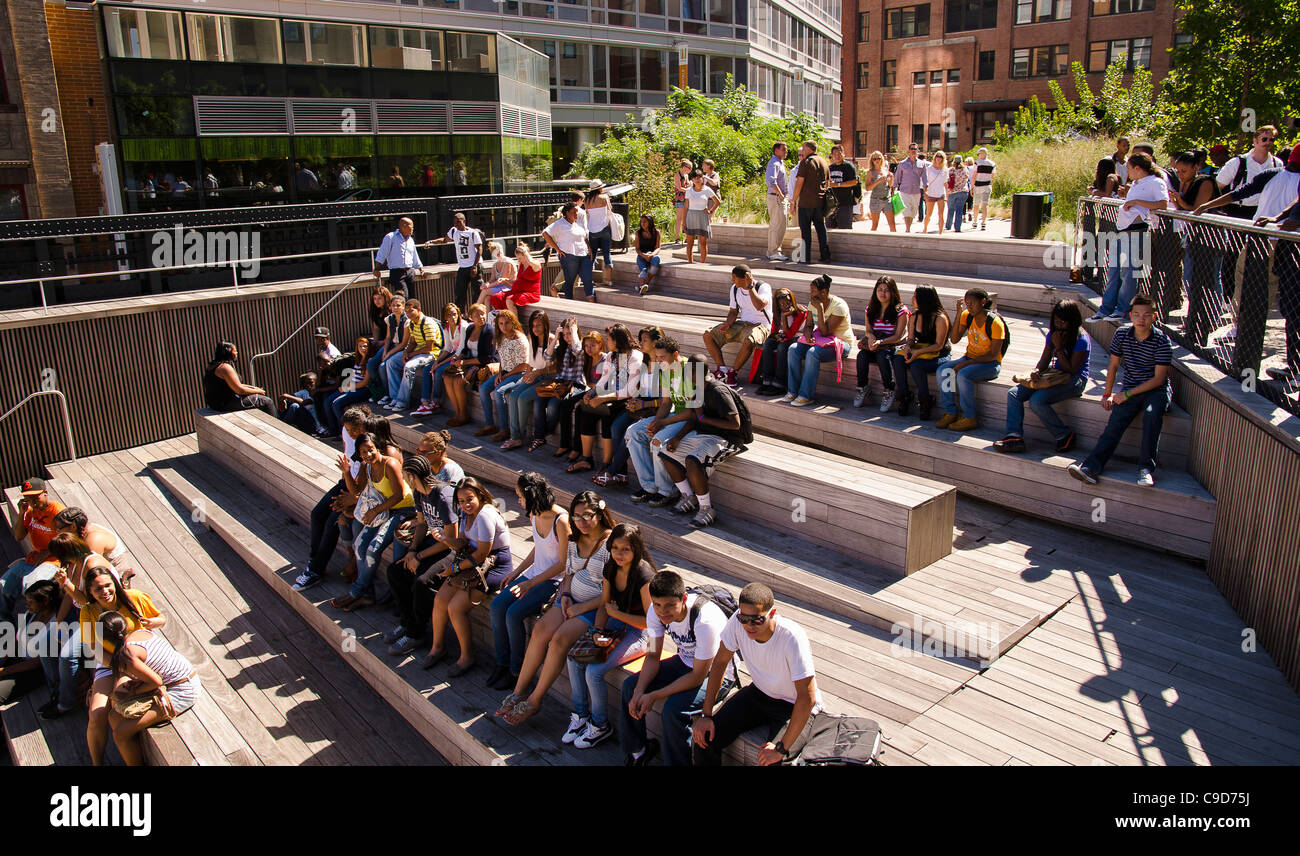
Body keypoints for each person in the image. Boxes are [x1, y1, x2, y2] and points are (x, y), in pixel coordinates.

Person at [496, 491, 613, 725]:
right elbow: (569, 573)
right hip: (571, 600)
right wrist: (566, 594)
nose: (581, 522)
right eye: (577, 517)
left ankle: (535, 700)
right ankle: (519, 692)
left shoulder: (612, 543)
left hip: (595, 607)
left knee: (558, 640)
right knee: (540, 630)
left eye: (587, 516)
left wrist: (581, 608)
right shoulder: (575, 539)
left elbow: (612, 592)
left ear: (599, 515)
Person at [692, 583, 820, 766]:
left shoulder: (791, 637)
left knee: (772, 760)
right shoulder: (737, 623)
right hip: (760, 693)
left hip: (792, 705)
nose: (749, 625)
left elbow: (807, 698)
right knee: (704, 739)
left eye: (757, 620)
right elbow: (720, 663)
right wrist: (706, 715)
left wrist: (781, 748)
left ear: (772, 613)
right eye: (744, 618)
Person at [620, 570, 732, 766]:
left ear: (684, 598)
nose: (663, 612)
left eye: (671, 605)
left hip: (716, 673)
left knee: (673, 710)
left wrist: (654, 695)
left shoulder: (704, 621)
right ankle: (638, 751)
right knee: (630, 687)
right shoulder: (655, 614)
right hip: (685, 662)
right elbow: (653, 655)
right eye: (658, 605)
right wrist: (639, 691)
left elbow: (698, 676)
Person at [563, 522, 655, 749]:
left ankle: (600, 725)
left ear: (636, 549)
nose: (619, 554)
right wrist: (596, 633)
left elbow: (653, 623)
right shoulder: (611, 567)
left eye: (625, 549)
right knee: (575, 657)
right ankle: (580, 715)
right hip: (615, 623)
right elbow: (604, 606)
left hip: (642, 632)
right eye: (615, 548)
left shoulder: (644, 575)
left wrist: (618, 615)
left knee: (594, 671)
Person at [1069, 295, 1170, 487]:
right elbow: (1113, 365)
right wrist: (1107, 394)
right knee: (1116, 422)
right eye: (1137, 315)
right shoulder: (1122, 334)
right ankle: (1091, 468)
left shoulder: (1162, 340)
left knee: (1152, 414)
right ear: (1130, 316)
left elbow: (1158, 379)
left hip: (1156, 390)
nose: (1142, 319)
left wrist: (1127, 394)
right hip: (1131, 388)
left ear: (1154, 317)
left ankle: (1146, 469)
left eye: (1147, 315)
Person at [486, 473, 570, 690]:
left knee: (514, 615)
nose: (518, 501)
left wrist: (530, 584)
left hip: (552, 580)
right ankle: (501, 663)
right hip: (533, 575)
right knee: (496, 607)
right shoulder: (534, 514)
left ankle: (516, 670)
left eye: (520, 496)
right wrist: (517, 573)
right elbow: (539, 548)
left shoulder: (562, 520)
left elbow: (562, 563)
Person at [422, 477, 513, 678]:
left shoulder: (485, 515)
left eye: (469, 499)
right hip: (471, 561)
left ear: (480, 495)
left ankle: (466, 657)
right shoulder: (465, 513)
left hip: (494, 565)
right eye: (461, 501)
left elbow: (481, 554)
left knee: (455, 608)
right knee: (440, 599)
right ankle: (438, 647)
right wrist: (446, 539)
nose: (465, 504)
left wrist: (453, 569)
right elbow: (463, 543)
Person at [384, 442, 463, 656]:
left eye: (407, 476)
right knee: (395, 571)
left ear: (413, 477)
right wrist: (412, 551)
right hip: (432, 543)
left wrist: (419, 556)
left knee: (422, 582)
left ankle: (416, 633)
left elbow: (451, 539)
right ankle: (407, 622)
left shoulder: (443, 497)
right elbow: (421, 523)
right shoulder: (420, 493)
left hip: (451, 548)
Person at [80, 565, 164, 765]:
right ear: (90, 592)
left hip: (140, 659)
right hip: (109, 662)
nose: (105, 591)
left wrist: (153, 623)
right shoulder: (88, 611)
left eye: (108, 585)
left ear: (115, 584)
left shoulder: (133, 597)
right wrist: (119, 668)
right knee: (97, 712)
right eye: (98, 589)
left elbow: (161, 618)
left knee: (120, 702)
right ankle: (97, 762)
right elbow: (94, 648)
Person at [654, 358, 752, 529]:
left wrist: (704, 419)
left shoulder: (718, 390)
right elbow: (694, 418)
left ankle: (706, 508)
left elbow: (735, 424)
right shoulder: (697, 388)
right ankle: (688, 496)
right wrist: (677, 437)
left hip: (729, 438)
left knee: (693, 460)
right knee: (665, 451)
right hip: (706, 434)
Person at [98, 610, 200, 766]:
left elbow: (156, 681)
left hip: (183, 690)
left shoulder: (127, 655)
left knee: (120, 734)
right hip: (181, 679)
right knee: (113, 716)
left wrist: (133, 692)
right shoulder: (140, 632)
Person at [330, 432, 415, 612]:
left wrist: (375, 511)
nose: (367, 454)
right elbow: (356, 493)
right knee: (359, 545)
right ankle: (367, 595)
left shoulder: (390, 465)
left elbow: (399, 495)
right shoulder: (367, 467)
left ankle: (356, 592)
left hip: (403, 510)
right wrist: (346, 473)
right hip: (385, 509)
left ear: (377, 448)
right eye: (363, 452)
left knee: (372, 548)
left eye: (370, 450)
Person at [995, 299, 1091, 454]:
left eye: (1063, 322)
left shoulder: (1081, 339)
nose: (1059, 325)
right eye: (1056, 321)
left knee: (1037, 401)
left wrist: (1059, 347)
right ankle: (1014, 436)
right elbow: (1045, 359)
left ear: (1072, 321)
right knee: (1013, 393)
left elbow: (1072, 369)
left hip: (1075, 379)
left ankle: (1064, 434)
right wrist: (1036, 371)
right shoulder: (1053, 334)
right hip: (1054, 375)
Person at [294, 406, 370, 591]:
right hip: (346, 481)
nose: (352, 433)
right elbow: (348, 458)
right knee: (317, 514)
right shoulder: (347, 431)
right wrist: (345, 477)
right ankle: (313, 560)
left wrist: (353, 497)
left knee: (332, 522)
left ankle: (315, 571)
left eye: (356, 430)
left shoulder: (368, 442)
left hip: (362, 491)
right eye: (349, 429)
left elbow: (367, 480)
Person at [1090, 153, 1167, 323]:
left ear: (1137, 168)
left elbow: (1163, 204)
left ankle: (1122, 309)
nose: (1127, 172)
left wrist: (1135, 202)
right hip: (1122, 229)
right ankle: (1106, 308)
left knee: (1128, 272)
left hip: (1136, 230)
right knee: (1114, 271)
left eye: (1130, 168)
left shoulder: (1155, 182)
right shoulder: (1136, 184)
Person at [627, 340, 698, 505]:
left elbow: (693, 411)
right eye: (656, 357)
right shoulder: (665, 370)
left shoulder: (691, 370)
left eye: (662, 357)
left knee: (658, 442)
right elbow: (666, 402)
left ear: (675, 355)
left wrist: (662, 422)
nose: (658, 361)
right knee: (633, 432)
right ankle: (649, 486)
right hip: (674, 416)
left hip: (690, 419)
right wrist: (657, 421)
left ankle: (667, 490)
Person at [595, 325, 664, 488]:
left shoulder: (664, 365)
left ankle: (611, 471)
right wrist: (635, 401)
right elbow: (638, 387)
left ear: (655, 342)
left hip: (657, 409)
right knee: (616, 427)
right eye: (640, 340)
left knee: (628, 432)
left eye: (644, 340)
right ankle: (622, 474)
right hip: (641, 405)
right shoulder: (646, 360)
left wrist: (644, 403)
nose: (640, 343)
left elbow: (667, 400)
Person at [570, 323, 643, 474]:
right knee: (585, 412)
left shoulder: (635, 356)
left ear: (617, 341)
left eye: (608, 339)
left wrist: (603, 398)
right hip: (611, 395)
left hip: (627, 400)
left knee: (608, 419)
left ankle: (607, 463)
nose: (607, 342)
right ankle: (586, 458)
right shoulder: (612, 355)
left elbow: (629, 390)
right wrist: (592, 393)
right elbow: (604, 380)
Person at [935, 287, 1006, 431]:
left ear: (983, 302)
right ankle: (950, 411)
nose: (969, 306)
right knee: (943, 370)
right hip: (969, 358)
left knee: (963, 375)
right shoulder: (967, 315)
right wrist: (959, 313)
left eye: (972, 303)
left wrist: (967, 363)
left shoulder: (995, 323)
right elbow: (954, 339)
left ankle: (969, 416)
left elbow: (993, 354)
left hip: (990, 364)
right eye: (967, 304)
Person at [783, 274, 853, 407]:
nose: (810, 293)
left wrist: (820, 310)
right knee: (793, 349)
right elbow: (808, 325)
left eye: (813, 290)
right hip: (821, 341)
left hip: (841, 344)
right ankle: (793, 391)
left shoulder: (839, 306)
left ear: (824, 292)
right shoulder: (812, 303)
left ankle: (805, 395)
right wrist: (808, 334)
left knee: (812, 353)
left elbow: (826, 331)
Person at [2, 477, 65, 624]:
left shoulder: (57, 511)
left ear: (45, 493)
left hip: (55, 560)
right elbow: (18, 536)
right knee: (3, 585)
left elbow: (67, 540)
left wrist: (47, 552)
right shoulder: (30, 512)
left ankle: (39, 622)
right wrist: (21, 513)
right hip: (34, 559)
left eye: (36, 497)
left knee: (30, 586)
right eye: (28, 498)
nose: (33, 502)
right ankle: (3, 623)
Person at [704, 264, 772, 388]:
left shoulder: (763, 287)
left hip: (761, 326)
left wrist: (750, 287)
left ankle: (733, 373)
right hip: (742, 324)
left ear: (743, 278)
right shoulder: (734, 288)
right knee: (708, 335)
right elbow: (733, 312)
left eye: (734, 277)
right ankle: (722, 369)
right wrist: (727, 323)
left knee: (748, 340)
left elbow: (759, 306)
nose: (732, 280)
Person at [892, 283, 951, 419]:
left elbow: (938, 345)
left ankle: (925, 400)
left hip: (939, 354)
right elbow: (911, 339)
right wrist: (908, 347)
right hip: (921, 351)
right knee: (898, 360)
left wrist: (917, 353)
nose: (912, 299)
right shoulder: (914, 317)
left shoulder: (940, 318)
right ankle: (904, 395)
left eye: (915, 297)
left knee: (916, 366)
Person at [474, 309, 532, 442]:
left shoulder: (520, 339)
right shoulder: (501, 337)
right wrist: (500, 373)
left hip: (519, 374)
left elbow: (524, 365)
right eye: (500, 324)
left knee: (499, 391)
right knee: (483, 389)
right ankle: (489, 424)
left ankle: (504, 429)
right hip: (505, 372)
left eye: (507, 323)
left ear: (513, 323)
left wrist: (505, 376)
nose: (504, 326)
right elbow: (502, 359)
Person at [501, 310, 556, 449]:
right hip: (535, 375)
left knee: (522, 398)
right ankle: (515, 436)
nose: (535, 328)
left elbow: (555, 368)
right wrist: (528, 374)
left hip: (548, 378)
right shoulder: (532, 337)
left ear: (545, 325)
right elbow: (531, 362)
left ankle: (519, 435)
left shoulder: (551, 339)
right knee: (513, 395)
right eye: (533, 325)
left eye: (538, 325)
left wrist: (536, 373)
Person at [854, 276, 909, 410]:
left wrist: (881, 342)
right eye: (880, 290)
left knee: (882, 356)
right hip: (877, 344)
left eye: (886, 290)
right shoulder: (871, 309)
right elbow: (868, 330)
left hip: (892, 345)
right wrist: (872, 338)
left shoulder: (901, 310)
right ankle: (862, 387)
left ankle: (889, 389)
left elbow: (899, 336)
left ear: (893, 292)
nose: (883, 293)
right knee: (862, 356)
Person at [1210, 125, 1283, 222]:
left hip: (1263, 212)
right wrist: (1215, 208)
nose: (1268, 142)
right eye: (1264, 139)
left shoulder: (1277, 164)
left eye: (1271, 140)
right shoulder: (1237, 162)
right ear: (1255, 141)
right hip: (1237, 211)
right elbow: (1217, 187)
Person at [53, 508, 136, 591]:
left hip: (111, 581)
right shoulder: (81, 531)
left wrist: (66, 587)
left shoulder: (93, 540)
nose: (57, 532)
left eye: (59, 529)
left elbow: (83, 571)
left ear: (73, 526)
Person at [443, 303, 495, 428]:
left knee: (458, 381)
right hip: (469, 360)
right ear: (471, 317)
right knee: (447, 377)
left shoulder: (489, 331)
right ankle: (458, 413)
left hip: (482, 364)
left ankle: (464, 415)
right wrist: (459, 357)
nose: (481, 317)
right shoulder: (470, 329)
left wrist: (464, 362)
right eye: (476, 315)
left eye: (483, 314)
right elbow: (466, 348)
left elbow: (487, 357)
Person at [413, 303, 469, 417]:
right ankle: (425, 402)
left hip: (462, 355)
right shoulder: (446, 327)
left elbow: (460, 350)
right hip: (452, 354)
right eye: (449, 315)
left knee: (438, 371)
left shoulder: (463, 326)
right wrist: (436, 362)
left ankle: (436, 402)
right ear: (445, 317)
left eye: (454, 314)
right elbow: (447, 348)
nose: (452, 318)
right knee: (427, 370)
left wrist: (439, 365)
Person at [756, 288, 809, 396]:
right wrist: (776, 335)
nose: (785, 305)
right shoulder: (777, 313)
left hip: (799, 336)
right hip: (786, 335)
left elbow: (791, 333)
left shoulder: (800, 312)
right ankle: (767, 380)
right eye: (782, 304)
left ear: (792, 300)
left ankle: (780, 382)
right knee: (768, 344)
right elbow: (774, 331)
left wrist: (785, 317)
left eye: (788, 301)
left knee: (782, 346)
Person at [427, 212, 483, 312]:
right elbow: (445, 240)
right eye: (455, 223)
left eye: (458, 222)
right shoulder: (454, 231)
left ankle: (475, 312)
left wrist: (475, 266)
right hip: (462, 266)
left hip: (473, 265)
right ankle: (461, 313)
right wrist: (431, 242)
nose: (456, 225)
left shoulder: (473, 233)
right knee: (460, 292)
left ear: (464, 221)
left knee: (477, 291)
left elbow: (479, 249)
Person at [202, 341, 275, 416]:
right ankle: (276, 425)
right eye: (235, 351)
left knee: (259, 398)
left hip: (216, 403)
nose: (237, 353)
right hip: (224, 404)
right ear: (229, 352)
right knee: (267, 401)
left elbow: (235, 384)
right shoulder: (224, 368)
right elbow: (240, 390)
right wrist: (258, 391)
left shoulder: (213, 365)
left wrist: (253, 388)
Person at [789, 140, 831, 263]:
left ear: (808, 149)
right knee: (821, 229)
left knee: (806, 231)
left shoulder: (805, 162)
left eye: (803, 148)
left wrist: (794, 200)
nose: (802, 150)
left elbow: (799, 182)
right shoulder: (824, 162)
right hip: (820, 201)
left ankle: (805, 258)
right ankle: (825, 255)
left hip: (806, 202)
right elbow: (828, 182)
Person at [544, 202, 595, 301]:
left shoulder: (577, 223)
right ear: (567, 213)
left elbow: (584, 236)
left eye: (577, 213)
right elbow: (545, 233)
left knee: (588, 278)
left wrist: (589, 248)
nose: (576, 215)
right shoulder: (560, 223)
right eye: (574, 212)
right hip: (569, 256)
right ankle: (569, 302)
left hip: (583, 254)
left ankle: (591, 300)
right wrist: (557, 249)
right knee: (570, 281)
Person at [372, 294, 409, 408]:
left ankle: (396, 396)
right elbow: (388, 337)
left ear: (403, 306)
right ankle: (388, 394)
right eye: (393, 306)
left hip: (403, 347)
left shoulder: (407, 320)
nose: (395, 308)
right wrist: (385, 350)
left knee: (387, 364)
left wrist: (389, 353)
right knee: (377, 365)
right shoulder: (390, 319)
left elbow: (404, 343)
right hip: (392, 345)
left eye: (398, 305)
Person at [372, 218, 424, 298]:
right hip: (397, 273)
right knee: (403, 297)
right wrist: (377, 269)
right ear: (404, 226)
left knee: (412, 298)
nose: (413, 229)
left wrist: (420, 269)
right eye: (411, 227)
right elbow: (382, 253)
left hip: (410, 271)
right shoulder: (391, 237)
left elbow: (414, 255)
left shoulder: (410, 239)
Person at [489, 243, 542, 316]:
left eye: (520, 258)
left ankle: (515, 323)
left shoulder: (535, 264)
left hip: (530, 293)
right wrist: (506, 280)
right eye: (517, 259)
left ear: (526, 256)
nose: (519, 260)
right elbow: (518, 281)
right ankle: (503, 318)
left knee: (509, 300)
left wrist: (525, 252)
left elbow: (530, 261)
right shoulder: (521, 264)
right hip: (517, 291)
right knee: (496, 297)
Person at [683, 170, 720, 264]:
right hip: (690, 216)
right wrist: (684, 222)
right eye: (695, 178)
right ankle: (689, 262)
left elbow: (717, 202)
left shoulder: (707, 190)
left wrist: (710, 211)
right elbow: (686, 207)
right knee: (690, 242)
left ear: (702, 178)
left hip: (702, 217)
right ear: (692, 179)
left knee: (703, 243)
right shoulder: (689, 191)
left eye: (699, 177)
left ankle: (702, 263)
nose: (697, 179)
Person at [765, 142, 791, 261]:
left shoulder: (779, 163)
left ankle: (775, 250)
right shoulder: (774, 163)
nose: (786, 152)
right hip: (776, 197)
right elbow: (771, 181)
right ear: (776, 150)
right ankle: (773, 251)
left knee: (781, 224)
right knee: (777, 224)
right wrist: (780, 195)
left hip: (778, 197)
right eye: (783, 150)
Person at [476, 240, 518, 311]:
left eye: (499, 251)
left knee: (484, 292)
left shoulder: (508, 262)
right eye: (496, 252)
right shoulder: (495, 264)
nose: (498, 253)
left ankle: (475, 310)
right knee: (487, 298)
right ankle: (488, 319)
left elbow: (502, 280)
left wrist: (488, 286)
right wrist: (486, 284)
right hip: (500, 287)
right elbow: (492, 279)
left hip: (509, 287)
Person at [894, 143, 926, 232]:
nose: (913, 150)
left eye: (915, 149)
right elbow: (897, 177)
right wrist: (893, 188)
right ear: (909, 150)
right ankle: (907, 229)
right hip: (905, 191)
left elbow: (924, 178)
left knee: (914, 211)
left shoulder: (921, 164)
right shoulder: (902, 164)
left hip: (916, 191)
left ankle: (909, 227)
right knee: (907, 210)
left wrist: (926, 188)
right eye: (912, 149)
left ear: (917, 151)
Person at [863, 151, 896, 232]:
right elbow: (867, 188)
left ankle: (895, 243)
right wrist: (878, 181)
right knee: (875, 225)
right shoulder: (870, 172)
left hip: (887, 200)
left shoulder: (885, 170)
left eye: (879, 158)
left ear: (882, 159)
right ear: (872, 160)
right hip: (875, 200)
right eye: (874, 159)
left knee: (892, 225)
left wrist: (891, 180)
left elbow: (889, 186)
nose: (877, 160)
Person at [827, 145, 858, 230]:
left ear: (843, 154)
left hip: (845, 204)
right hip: (831, 205)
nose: (837, 156)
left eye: (839, 153)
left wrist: (838, 184)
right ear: (831, 155)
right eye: (834, 154)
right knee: (829, 229)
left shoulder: (848, 166)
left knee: (845, 230)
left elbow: (854, 182)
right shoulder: (830, 168)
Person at [586, 179, 614, 271]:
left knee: (593, 253)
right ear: (599, 189)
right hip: (604, 228)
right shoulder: (604, 197)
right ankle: (609, 280)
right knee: (606, 252)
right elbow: (610, 209)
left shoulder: (587, 200)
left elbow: (588, 213)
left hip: (592, 229)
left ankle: (590, 278)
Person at [634, 215, 663, 295]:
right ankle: (642, 286)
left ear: (649, 222)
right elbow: (637, 249)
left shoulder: (656, 232)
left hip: (652, 255)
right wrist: (644, 256)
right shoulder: (638, 233)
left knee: (656, 261)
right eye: (641, 222)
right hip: (642, 255)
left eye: (645, 222)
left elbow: (658, 248)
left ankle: (644, 284)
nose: (642, 224)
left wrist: (651, 255)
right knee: (644, 270)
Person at [921, 151, 949, 235]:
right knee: (929, 214)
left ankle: (940, 232)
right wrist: (925, 192)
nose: (939, 158)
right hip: (931, 192)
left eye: (941, 157)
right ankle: (925, 229)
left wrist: (947, 195)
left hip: (940, 193)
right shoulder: (929, 168)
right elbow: (925, 181)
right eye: (937, 156)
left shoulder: (945, 169)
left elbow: (945, 183)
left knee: (941, 213)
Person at [946, 152, 972, 233]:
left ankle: (948, 225)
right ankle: (957, 227)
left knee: (950, 209)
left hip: (952, 191)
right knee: (959, 209)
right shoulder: (965, 170)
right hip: (963, 191)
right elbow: (967, 179)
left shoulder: (950, 170)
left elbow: (947, 181)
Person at [972, 147, 996, 230]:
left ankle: (975, 222)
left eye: (979, 154)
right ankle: (983, 223)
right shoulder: (992, 164)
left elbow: (974, 176)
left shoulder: (977, 163)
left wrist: (972, 187)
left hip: (978, 185)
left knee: (976, 205)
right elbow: (992, 176)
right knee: (984, 205)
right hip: (987, 185)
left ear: (981, 154)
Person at [672, 158, 693, 241]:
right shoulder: (677, 175)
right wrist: (689, 189)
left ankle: (686, 237)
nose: (690, 170)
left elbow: (688, 186)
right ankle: (677, 237)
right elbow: (679, 188)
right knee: (679, 218)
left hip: (687, 199)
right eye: (689, 168)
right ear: (684, 167)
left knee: (686, 218)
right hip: (679, 199)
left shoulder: (686, 176)